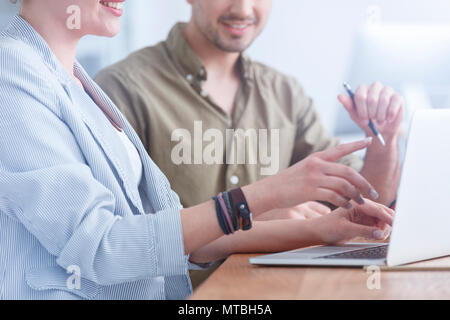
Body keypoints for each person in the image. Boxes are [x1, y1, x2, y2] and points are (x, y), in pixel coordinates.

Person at [0, 0, 393, 300]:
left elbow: (179, 233)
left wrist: (319, 229)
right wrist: (267, 194)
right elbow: (102, 245)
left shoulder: (80, 85)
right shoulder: (12, 70)